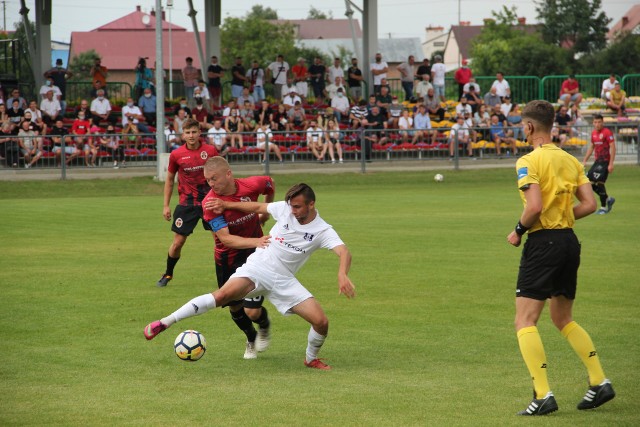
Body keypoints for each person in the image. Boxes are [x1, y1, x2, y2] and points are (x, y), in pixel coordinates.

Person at [144, 183, 356, 371]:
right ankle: (165, 322)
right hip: (260, 265)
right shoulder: (285, 209)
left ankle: (311, 359)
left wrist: (342, 274)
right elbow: (256, 207)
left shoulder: (322, 230)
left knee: (321, 322)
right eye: (291, 206)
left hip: (284, 280)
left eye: (298, 207)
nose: (292, 211)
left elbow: (344, 251)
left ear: (311, 204)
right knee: (222, 295)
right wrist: (226, 205)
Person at [507, 99, 615, 416]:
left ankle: (542, 395)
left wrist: (517, 231)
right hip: (569, 241)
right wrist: (562, 218)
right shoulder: (569, 160)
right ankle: (599, 381)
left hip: (543, 242)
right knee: (562, 317)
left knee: (524, 320)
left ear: (528, 126)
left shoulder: (528, 161)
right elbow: (590, 205)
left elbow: (534, 207)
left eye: (521, 125)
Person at [196, 157, 275, 358]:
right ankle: (250, 337)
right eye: (207, 180)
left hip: (255, 256)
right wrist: (256, 241)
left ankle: (263, 325)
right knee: (234, 305)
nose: (211, 184)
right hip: (227, 257)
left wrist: (265, 212)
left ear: (228, 174)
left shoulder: (251, 185)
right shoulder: (210, 203)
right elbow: (227, 239)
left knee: (253, 312)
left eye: (214, 179)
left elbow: (269, 184)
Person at [156, 118, 220, 287]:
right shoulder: (176, 155)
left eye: (194, 132)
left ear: (200, 133)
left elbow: (221, 174)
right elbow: (169, 180)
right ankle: (168, 274)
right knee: (178, 243)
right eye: (187, 132)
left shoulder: (211, 150)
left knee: (220, 241)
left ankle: (226, 278)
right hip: (187, 204)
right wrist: (166, 205)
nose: (191, 135)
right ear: (183, 135)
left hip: (210, 202)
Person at [582, 114, 616, 215]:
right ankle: (608, 199)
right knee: (589, 182)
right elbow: (592, 147)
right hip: (597, 162)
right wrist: (584, 160)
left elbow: (613, 147)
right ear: (593, 123)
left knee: (600, 183)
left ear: (603, 122)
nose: (597, 124)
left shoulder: (607, 132)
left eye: (599, 122)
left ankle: (603, 207)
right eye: (595, 122)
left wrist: (611, 164)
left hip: (605, 162)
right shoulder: (593, 134)